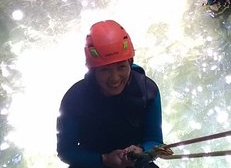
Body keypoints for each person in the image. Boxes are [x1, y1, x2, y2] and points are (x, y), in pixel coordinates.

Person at [56, 20, 163, 168]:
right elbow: (66, 151)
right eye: (105, 70)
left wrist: (142, 151)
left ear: (130, 63)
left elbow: (155, 140)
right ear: (94, 71)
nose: (114, 78)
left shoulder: (148, 90)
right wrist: (104, 160)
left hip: (135, 162)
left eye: (121, 67)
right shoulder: (74, 99)